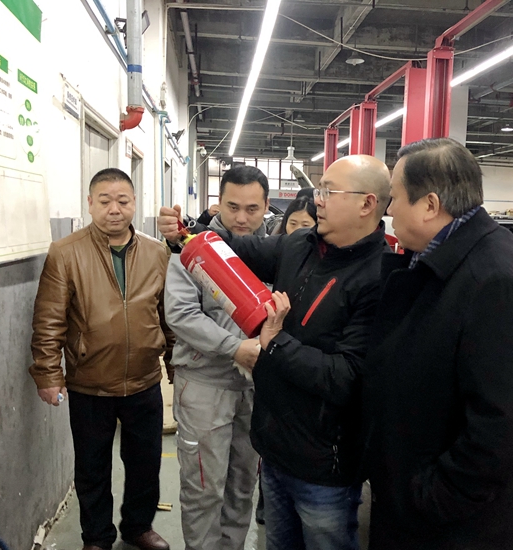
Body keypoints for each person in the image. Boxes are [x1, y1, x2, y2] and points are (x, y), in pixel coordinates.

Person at [159, 154, 392, 550]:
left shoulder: (380, 276)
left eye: (328, 192)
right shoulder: (301, 245)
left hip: (324, 459)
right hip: (274, 441)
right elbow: (231, 250)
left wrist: (274, 343)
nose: (317, 200)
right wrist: (185, 234)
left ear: (367, 204)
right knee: (216, 498)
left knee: (297, 524)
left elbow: (346, 376)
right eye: (319, 191)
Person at [360, 138, 513, 550]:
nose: (388, 211)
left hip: (457, 530)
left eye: (395, 198)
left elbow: (502, 432)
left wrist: (428, 498)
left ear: (430, 205)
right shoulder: (442, 260)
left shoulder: (494, 281)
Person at [29, 168, 174, 550]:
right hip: (89, 382)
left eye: (123, 201)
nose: (114, 209)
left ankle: (138, 527)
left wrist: (175, 364)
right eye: (105, 201)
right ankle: (96, 537)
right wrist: (48, 374)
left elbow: (168, 315)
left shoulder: (157, 252)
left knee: (146, 463)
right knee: (92, 467)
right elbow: (49, 318)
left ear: (134, 203)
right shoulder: (66, 252)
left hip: (144, 380)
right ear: (90, 203)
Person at [164, 165, 269, 550]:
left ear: (266, 207)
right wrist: (234, 347)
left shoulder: (275, 254)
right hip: (205, 385)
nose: (241, 218)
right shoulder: (192, 251)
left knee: (242, 486)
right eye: (233, 207)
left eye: (252, 209)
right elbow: (181, 314)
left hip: (256, 390)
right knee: (204, 490)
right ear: (218, 203)